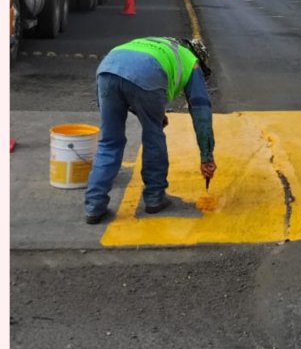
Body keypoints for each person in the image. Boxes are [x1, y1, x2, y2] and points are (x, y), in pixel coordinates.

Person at [84, 36, 218, 224]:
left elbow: (126, 86)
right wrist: (207, 156)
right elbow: (201, 109)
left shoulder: (158, 44)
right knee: (153, 135)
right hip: (147, 73)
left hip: (108, 68)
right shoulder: (192, 62)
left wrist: (149, 113)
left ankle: (94, 206)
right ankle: (155, 197)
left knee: (109, 142)